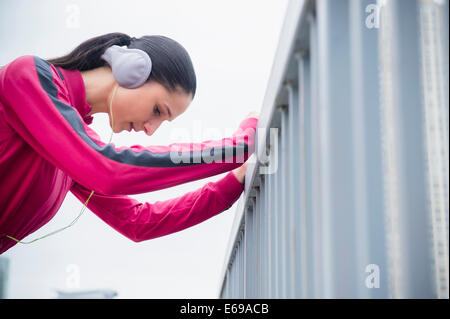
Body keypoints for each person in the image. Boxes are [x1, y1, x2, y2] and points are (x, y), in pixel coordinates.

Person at [0, 32, 258, 254]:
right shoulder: (27, 76)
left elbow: (138, 222)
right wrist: (238, 148)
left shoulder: (74, 149)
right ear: (131, 68)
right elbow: (108, 169)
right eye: (158, 110)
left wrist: (233, 181)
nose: (150, 130)